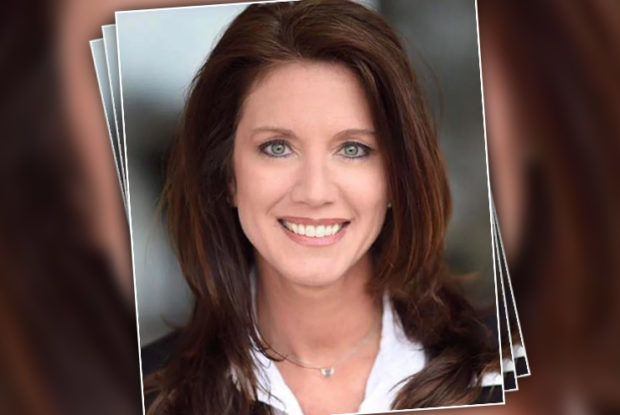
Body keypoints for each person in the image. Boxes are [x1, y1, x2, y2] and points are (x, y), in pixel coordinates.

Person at [145, 1, 501, 414]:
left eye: (353, 149)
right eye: (277, 147)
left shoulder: (503, 364)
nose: (314, 193)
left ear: (397, 177)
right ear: (228, 176)